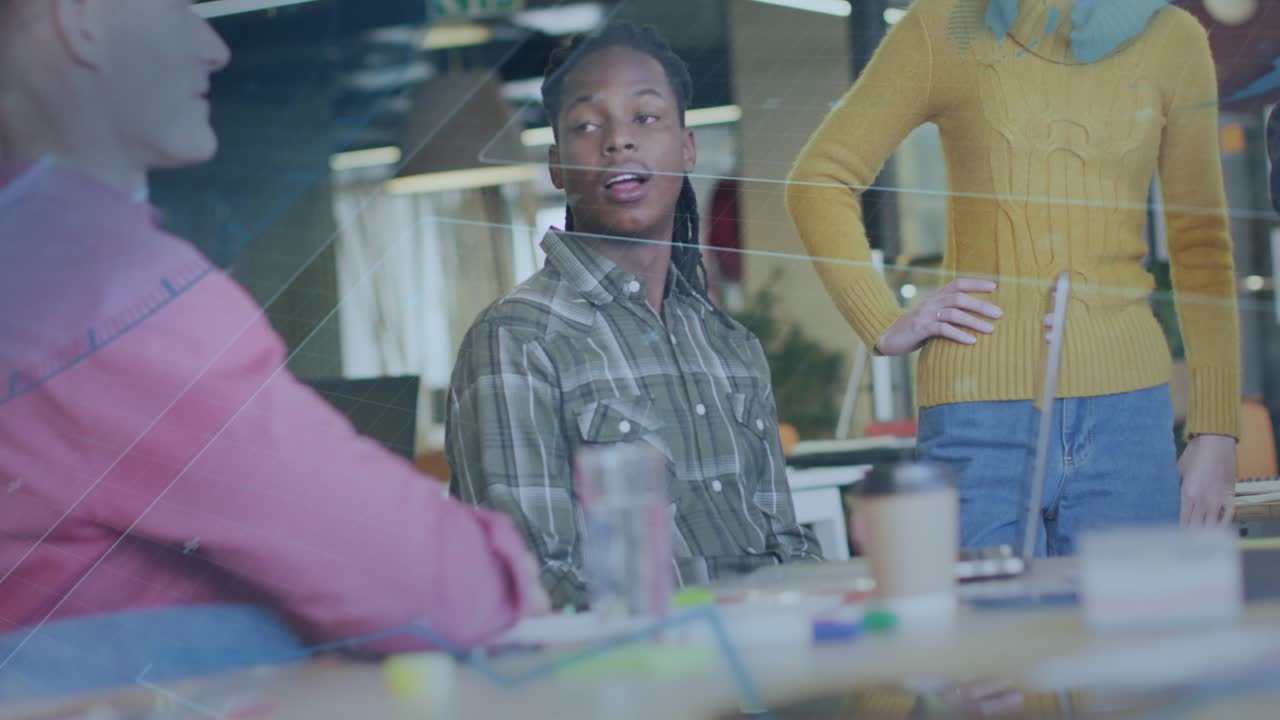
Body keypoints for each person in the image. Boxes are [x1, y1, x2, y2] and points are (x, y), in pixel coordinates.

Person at [0, 0, 546, 692]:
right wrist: (496, 571)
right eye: (180, 10)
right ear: (82, 21)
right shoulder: (104, 291)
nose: (215, 49)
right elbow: (447, 595)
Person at [786, 0, 1240, 554]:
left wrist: (1216, 430)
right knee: (987, 636)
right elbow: (820, 179)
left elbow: (1201, 246)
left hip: (1129, 419)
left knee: (1134, 635)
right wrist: (881, 320)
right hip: (979, 417)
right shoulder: (946, 25)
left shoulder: (1173, 38)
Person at [446, 24, 822, 610]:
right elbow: (529, 576)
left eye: (645, 118)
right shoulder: (517, 338)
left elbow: (785, 543)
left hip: (775, 674)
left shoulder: (732, 346)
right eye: (587, 126)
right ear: (557, 167)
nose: (618, 140)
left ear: (688, 148)